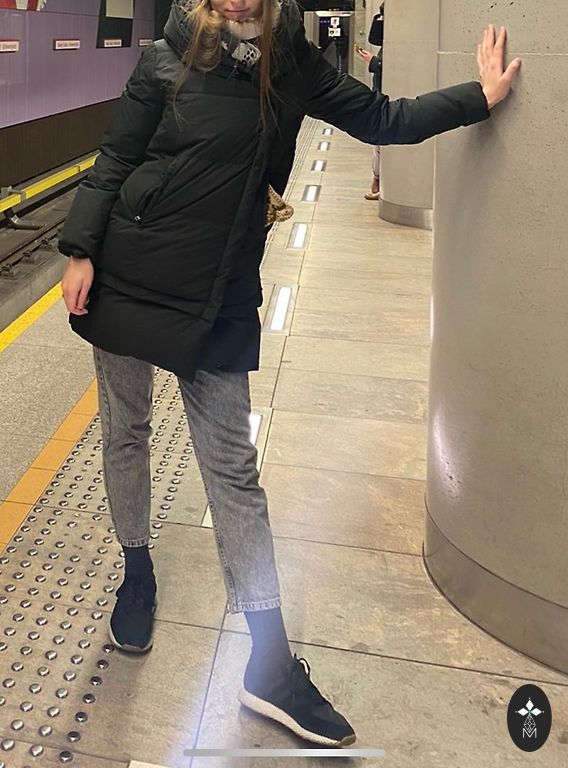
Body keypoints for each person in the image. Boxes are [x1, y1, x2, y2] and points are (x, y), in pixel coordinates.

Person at [59, 0, 520, 748]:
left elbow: (385, 119)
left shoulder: (292, 66)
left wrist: (479, 98)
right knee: (125, 433)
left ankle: (268, 665)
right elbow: (115, 158)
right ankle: (136, 570)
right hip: (126, 276)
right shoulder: (165, 58)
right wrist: (81, 250)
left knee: (234, 475)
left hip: (218, 291)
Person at [356, 1, 384, 200]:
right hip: (380, 92)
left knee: (381, 143)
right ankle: (377, 179)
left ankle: (378, 180)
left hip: (388, 94)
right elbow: (374, 37)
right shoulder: (386, 40)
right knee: (379, 144)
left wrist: (373, 61)